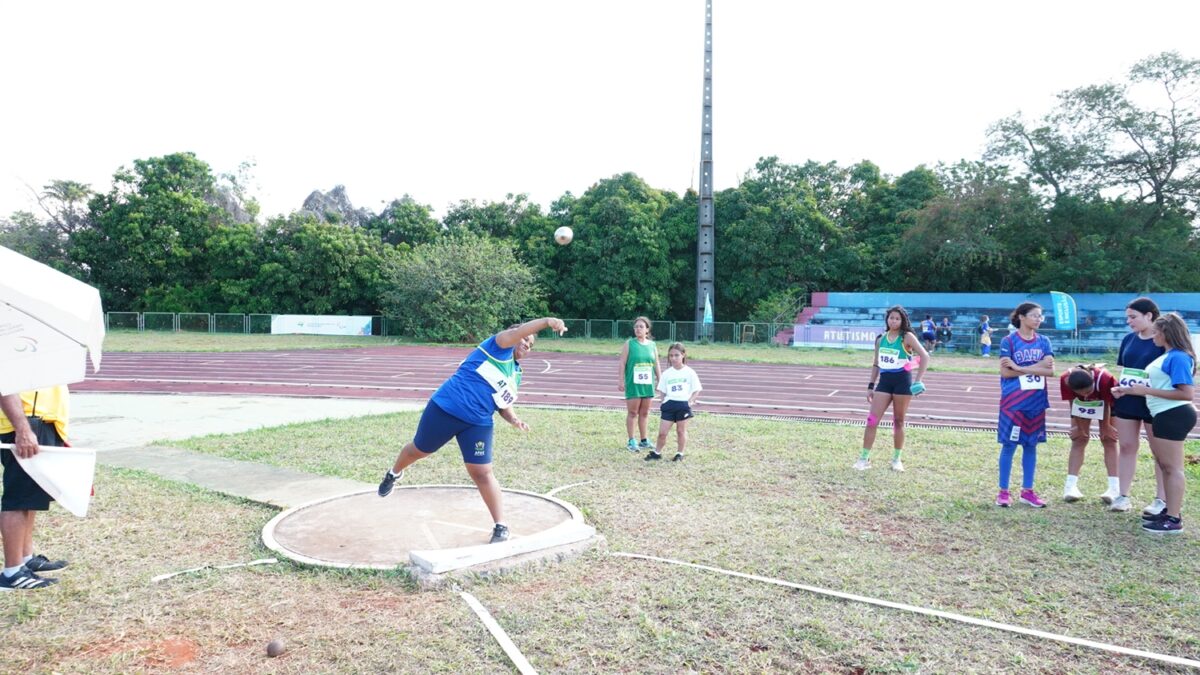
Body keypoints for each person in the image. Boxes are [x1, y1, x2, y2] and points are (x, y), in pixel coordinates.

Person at [377, 317, 567, 544]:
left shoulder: (516, 373)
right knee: (419, 450)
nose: (527, 344)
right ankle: (394, 473)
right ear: (514, 334)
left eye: (531, 345)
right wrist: (547, 322)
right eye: (525, 339)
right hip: (445, 408)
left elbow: (502, 404)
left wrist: (514, 419)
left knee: (482, 472)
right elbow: (521, 332)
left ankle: (500, 525)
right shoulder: (498, 345)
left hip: (478, 422)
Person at [1113, 313, 1196, 535]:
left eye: (1157, 332)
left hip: (1173, 414)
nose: (1153, 336)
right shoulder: (1169, 355)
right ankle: (1169, 511)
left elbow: (1186, 393)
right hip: (1164, 413)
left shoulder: (1178, 357)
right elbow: (1157, 384)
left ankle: (1174, 518)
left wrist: (1145, 391)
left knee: (1173, 467)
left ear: (1166, 333)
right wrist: (1128, 390)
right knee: (1166, 465)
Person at [1, 387, 71, 590]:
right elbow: (4, 383)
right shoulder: (12, 354)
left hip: (40, 421)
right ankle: (12, 572)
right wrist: (22, 429)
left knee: (30, 497)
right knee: (18, 499)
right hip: (24, 423)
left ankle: (25, 558)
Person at [1109, 297, 1167, 514]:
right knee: (1126, 446)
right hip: (1128, 401)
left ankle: (1161, 499)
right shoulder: (1128, 339)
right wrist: (1119, 387)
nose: (1129, 322)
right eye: (1127, 317)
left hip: (1155, 402)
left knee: (1159, 451)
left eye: (1133, 317)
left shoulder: (1164, 341)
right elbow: (1124, 370)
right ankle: (1122, 496)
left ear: (1149, 316)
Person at [855, 305, 930, 472]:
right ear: (887, 320)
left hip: (902, 383)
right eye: (891, 318)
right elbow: (876, 363)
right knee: (872, 420)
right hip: (884, 382)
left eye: (897, 318)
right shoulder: (880, 339)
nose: (894, 321)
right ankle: (864, 458)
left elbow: (924, 356)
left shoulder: (907, 337)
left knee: (898, 422)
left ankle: (896, 459)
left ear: (902, 320)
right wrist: (870, 385)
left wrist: (918, 380)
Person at [996, 302, 1055, 508]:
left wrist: (1019, 366)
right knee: (1009, 445)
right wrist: (1035, 367)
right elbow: (1006, 373)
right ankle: (1003, 492)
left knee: (1031, 445)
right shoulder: (1009, 341)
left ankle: (1027, 491)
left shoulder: (1044, 341)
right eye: (1034, 315)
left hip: (1036, 403)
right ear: (1021, 317)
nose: (1039, 319)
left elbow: (1050, 370)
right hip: (1013, 403)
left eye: (1041, 316)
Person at [1058, 364, 1119, 503]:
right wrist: (1079, 427)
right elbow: (1073, 402)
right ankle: (1070, 486)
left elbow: (1106, 404)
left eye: (1088, 391)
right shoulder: (1065, 379)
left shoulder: (1105, 379)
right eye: (1082, 393)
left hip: (1108, 404)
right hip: (1081, 405)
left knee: (1109, 440)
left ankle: (1114, 488)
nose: (1086, 395)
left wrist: (1106, 427)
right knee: (1079, 439)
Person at [644, 343, 702, 462]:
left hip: (683, 406)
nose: (673, 358)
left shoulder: (689, 372)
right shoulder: (667, 373)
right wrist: (663, 401)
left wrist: (690, 401)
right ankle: (657, 452)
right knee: (662, 433)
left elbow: (697, 389)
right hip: (670, 405)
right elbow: (662, 390)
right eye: (671, 356)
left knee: (681, 431)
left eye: (676, 355)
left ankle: (679, 453)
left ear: (683, 355)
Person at [618, 316, 662, 453]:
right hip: (633, 383)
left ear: (647, 330)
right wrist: (620, 380)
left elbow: (656, 364)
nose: (638, 329)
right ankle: (631, 440)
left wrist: (659, 380)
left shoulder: (652, 345)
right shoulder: (629, 344)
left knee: (644, 413)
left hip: (647, 384)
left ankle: (644, 440)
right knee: (632, 413)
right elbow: (622, 363)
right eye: (636, 326)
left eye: (641, 327)